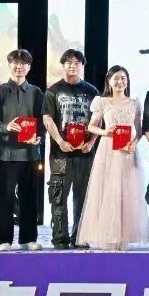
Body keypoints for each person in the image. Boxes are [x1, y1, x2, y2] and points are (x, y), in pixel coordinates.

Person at [75, 66, 149, 251]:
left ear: (127, 81)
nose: (119, 82)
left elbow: (139, 131)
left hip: (127, 152)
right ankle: (108, 235)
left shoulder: (134, 103)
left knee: (127, 192)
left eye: (123, 78)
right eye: (116, 78)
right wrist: (105, 132)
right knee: (107, 191)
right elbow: (91, 127)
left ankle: (123, 236)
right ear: (109, 81)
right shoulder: (102, 102)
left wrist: (134, 143)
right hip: (108, 150)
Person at [0, 49, 44, 252]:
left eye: (23, 64)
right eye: (15, 63)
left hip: (30, 154)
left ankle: (28, 238)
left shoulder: (36, 92)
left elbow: (42, 120)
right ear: (9, 65)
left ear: (29, 67)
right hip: (6, 153)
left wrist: (39, 136)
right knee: (5, 199)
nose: (19, 67)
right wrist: (6, 127)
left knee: (30, 198)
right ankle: (4, 240)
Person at [42, 49, 99, 249]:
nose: (72, 66)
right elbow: (47, 118)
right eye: (68, 62)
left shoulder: (92, 91)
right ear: (63, 65)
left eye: (76, 63)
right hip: (61, 153)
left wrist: (90, 143)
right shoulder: (53, 90)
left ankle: (80, 237)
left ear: (82, 66)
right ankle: (60, 238)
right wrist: (60, 141)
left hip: (85, 153)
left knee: (83, 198)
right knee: (58, 196)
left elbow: (98, 120)